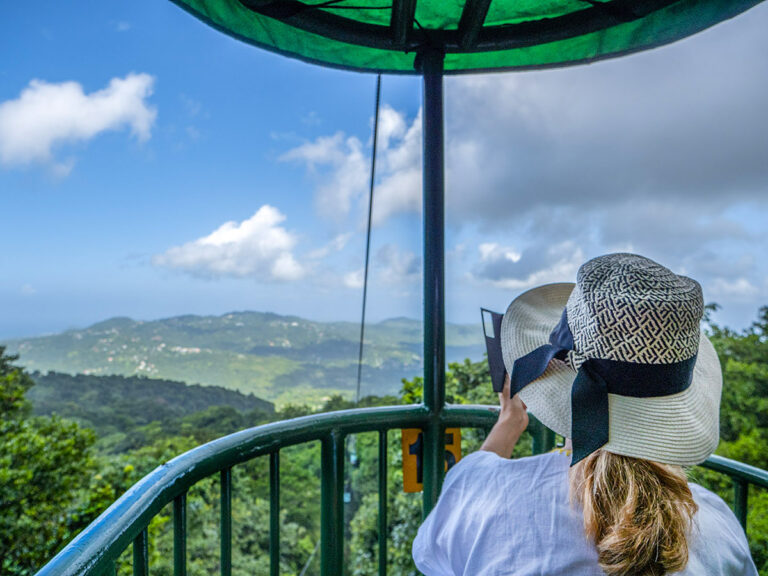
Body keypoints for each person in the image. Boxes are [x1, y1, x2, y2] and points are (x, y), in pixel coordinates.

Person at [412, 253, 757, 576]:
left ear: (558, 376)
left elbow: (433, 550)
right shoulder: (719, 530)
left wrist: (509, 421)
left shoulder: (486, 498)